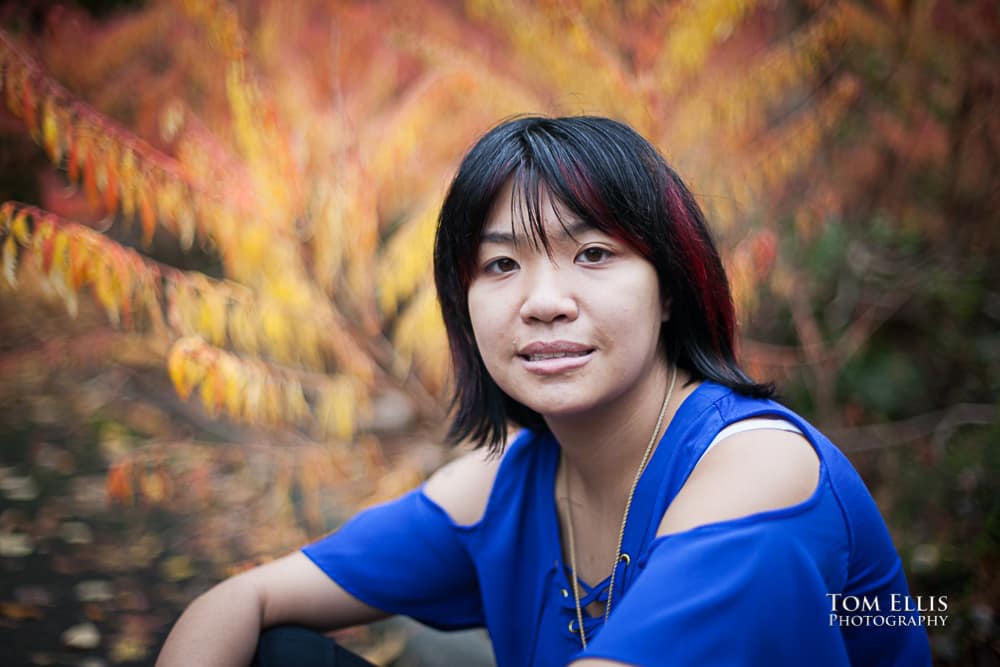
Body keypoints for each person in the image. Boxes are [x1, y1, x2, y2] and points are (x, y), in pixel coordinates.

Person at [157, 116, 932, 666]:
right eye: (501, 264)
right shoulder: (503, 486)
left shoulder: (757, 469)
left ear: (670, 287)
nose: (544, 301)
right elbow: (237, 601)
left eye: (593, 253)